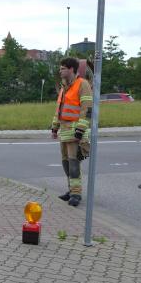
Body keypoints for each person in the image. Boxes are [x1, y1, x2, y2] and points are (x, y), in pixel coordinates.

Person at [51, 57, 93, 207]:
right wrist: (54, 127)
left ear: (71, 69)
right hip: (64, 131)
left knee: (74, 164)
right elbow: (59, 110)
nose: (60, 71)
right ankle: (71, 190)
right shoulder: (64, 87)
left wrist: (81, 129)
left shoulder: (82, 84)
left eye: (63, 68)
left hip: (75, 131)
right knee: (66, 163)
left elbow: (87, 108)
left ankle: (76, 194)